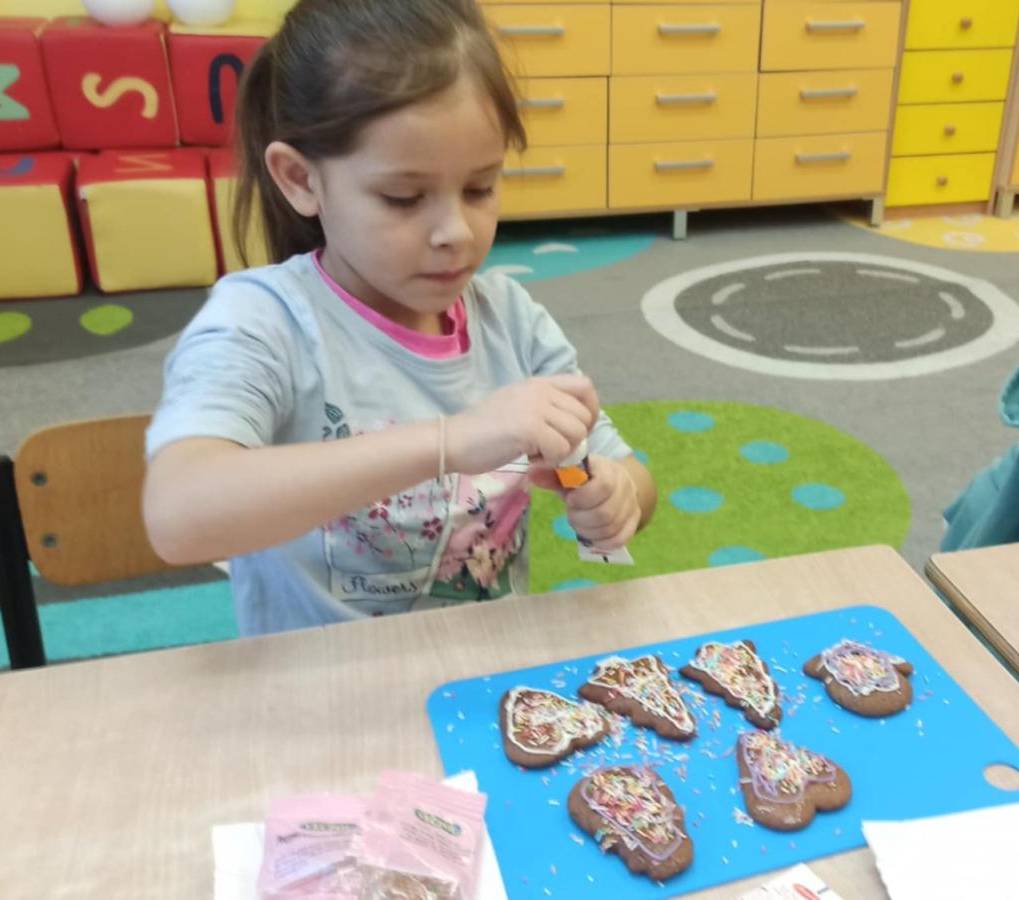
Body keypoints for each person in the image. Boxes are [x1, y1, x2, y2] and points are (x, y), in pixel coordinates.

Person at [142, 0, 654, 634]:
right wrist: (449, 442)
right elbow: (178, 514)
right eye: (403, 197)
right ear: (300, 179)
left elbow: (622, 468)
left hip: (484, 670)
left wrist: (618, 495)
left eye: (480, 188)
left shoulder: (512, 322)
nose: (455, 231)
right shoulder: (263, 320)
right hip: (319, 679)